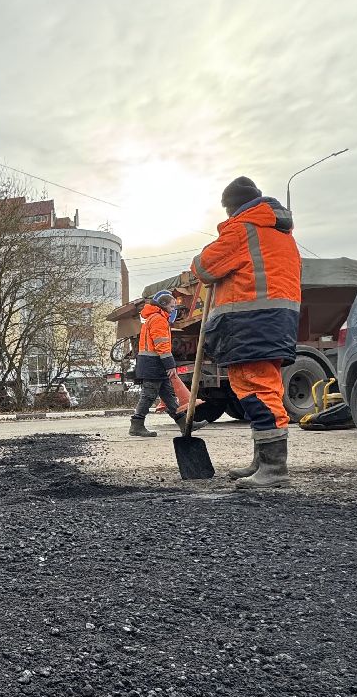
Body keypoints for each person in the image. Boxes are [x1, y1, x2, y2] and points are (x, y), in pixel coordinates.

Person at [189, 176, 302, 487]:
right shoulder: (280, 233)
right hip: (274, 321)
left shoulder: (243, 230)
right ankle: (263, 460)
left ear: (231, 207)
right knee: (259, 387)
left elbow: (202, 268)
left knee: (257, 389)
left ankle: (274, 469)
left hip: (252, 321)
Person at [128, 290, 190, 438]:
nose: (174, 309)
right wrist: (170, 365)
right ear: (163, 305)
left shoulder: (156, 317)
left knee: (168, 396)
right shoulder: (158, 319)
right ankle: (136, 425)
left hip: (153, 363)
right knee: (148, 395)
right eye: (172, 306)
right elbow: (161, 345)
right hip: (153, 364)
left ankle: (185, 425)